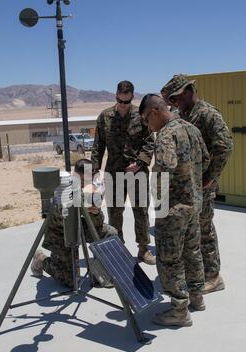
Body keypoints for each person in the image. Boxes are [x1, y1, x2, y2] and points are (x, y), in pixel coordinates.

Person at [139, 94, 210, 327]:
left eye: (147, 121)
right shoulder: (191, 129)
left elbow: (165, 166)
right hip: (194, 204)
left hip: (173, 208)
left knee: (170, 258)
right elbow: (206, 160)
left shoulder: (166, 135)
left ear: (154, 112)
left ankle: (179, 309)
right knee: (192, 252)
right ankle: (197, 298)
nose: (149, 127)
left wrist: (159, 199)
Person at [161, 74, 233, 294]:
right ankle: (197, 274)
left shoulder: (207, 114)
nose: (173, 104)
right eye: (170, 102)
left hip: (202, 186)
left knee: (204, 231)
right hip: (186, 187)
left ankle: (213, 276)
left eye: (174, 99)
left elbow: (225, 146)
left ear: (187, 91)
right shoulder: (183, 114)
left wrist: (209, 177)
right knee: (191, 232)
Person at [91, 80, 156, 265]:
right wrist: (94, 174)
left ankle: (143, 250)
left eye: (127, 102)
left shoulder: (141, 116)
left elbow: (150, 141)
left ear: (132, 98)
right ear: (116, 96)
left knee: (141, 212)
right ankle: (117, 248)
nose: (123, 105)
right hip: (114, 173)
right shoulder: (105, 117)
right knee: (114, 213)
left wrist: (140, 162)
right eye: (120, 101)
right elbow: (97, 147)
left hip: (137, 173)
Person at [31, 159, 117, 287]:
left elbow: (97, 225)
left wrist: (95, 213)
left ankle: (98, 273)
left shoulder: (93, 189)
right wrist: (77, 206)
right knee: (71, 281)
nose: (85, 184)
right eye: (82, 180)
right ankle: (41, 260)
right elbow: (56, 219)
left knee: (110, 233)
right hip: (62, 233)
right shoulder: (61, 186)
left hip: (80, 227)